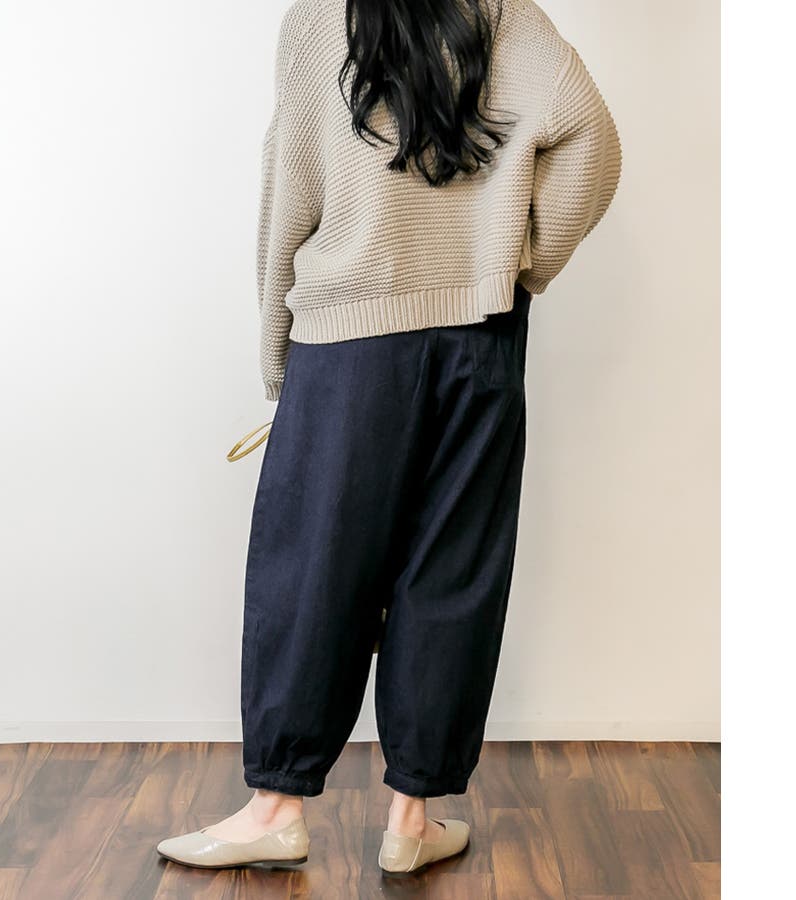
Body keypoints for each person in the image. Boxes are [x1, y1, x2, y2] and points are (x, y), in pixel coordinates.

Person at [158, 0, 621, 876]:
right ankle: (411, 820)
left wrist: (279, 353)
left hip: (349, 338)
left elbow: (290, 187)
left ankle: (276, 809)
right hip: (481, 336)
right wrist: (518, 263)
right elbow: (591, 138)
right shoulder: (502, 12)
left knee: (312, 565)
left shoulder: (320, 18)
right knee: (451, 568)